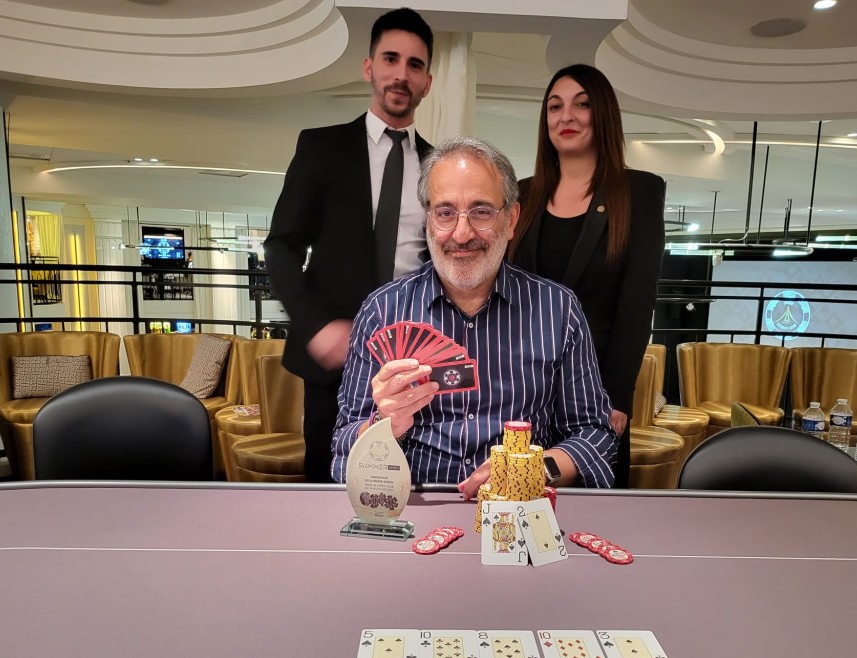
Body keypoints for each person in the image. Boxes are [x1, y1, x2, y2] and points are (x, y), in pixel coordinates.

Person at [332, 135, 616, 494]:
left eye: (481, 211)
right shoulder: (381, 311)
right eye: (445, 212)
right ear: (428, 220)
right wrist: (382, 426)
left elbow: (595, 436)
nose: (462, 234)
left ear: (511, 220)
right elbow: (343, 447)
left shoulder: (558, 310)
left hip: (519, 506)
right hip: (413, 504)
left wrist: (533, 469)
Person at [264, 8, 435, 482]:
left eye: (415, 65)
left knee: (411, 478)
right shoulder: (322, 148)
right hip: (334, 357)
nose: (401, 74)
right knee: (329, 482)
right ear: (369, 67)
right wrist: (314, 326)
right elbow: (281, 247)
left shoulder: (438, 165)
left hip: (414, 357)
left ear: (427, 83)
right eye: (390, 59)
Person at [509, 64, 666, 488]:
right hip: (525, 388)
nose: (566, 116)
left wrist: (615, 397)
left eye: (581, 105)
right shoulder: (522, 194)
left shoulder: (639, 192)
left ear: (603, 114)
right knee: (517, 501)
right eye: (554, 106)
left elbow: (637, 303)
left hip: (596, 393)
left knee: (592, 509)